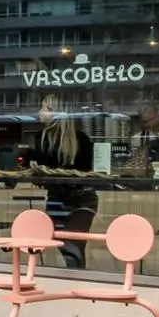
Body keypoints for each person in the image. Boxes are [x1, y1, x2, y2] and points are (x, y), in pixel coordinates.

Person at [29, 93, 96, 267]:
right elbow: (87, 172)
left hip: (59, 199)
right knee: (74, 247)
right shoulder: (82, 139)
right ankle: (77, 280)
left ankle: (76, 281)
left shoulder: (43, 139)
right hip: (83, 198)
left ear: (54, 111)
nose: (40, 112)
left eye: (43, 107)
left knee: (68, 246)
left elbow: (45, 174)